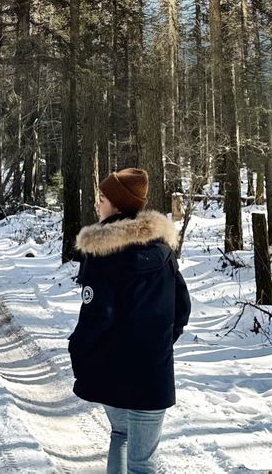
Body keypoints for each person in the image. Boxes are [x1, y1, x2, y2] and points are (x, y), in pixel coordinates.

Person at [68, 168, 191, 474]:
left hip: (114, 371)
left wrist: (79, 351)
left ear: (118, 206)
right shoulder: (164, 251)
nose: (97, 205)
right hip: (153, 372)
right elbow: (182, 307)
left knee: (120, 435)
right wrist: (158, 343)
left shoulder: (102, 254)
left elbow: (97, 315)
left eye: (103, 198)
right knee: (143, 462)